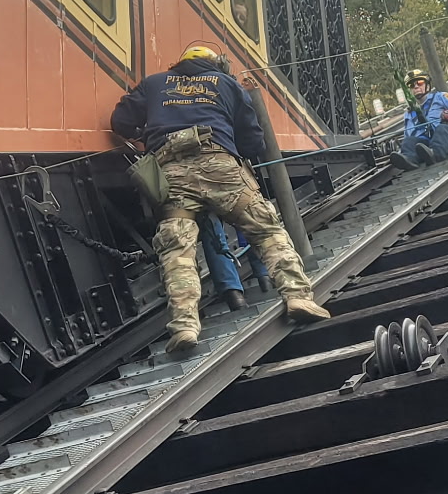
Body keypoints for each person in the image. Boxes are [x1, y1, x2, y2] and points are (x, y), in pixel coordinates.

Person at [111, 45, 329, 354]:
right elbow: (253, 140)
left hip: (171, 172)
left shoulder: (155, 82)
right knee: (265, 230)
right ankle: (298, 297)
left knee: (177, 249)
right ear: (216, 64)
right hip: (221, 166)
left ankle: (185, 326)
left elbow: (119, 121)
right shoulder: (227, 84)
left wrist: (147, 132)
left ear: (180, 62)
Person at [390, 71, 448, 174]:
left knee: (441, 129)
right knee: (409, 141)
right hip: (427, 145)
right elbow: (408, 136)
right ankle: (410, 160)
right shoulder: (409, 113)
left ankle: (435, 153)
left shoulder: (441, 97)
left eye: (419, 83)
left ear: (427, 85)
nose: (416, 87)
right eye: (412, 85)